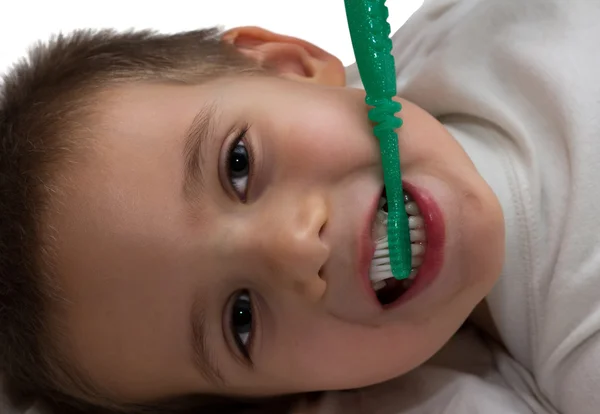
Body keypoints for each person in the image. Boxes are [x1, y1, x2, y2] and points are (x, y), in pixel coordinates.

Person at [1, 0, 598, 413]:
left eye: (238, 165)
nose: (290, 247)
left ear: (289, 66)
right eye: (241, 320)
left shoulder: (473, 31)